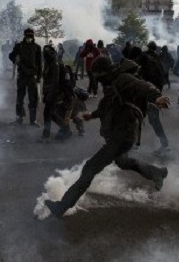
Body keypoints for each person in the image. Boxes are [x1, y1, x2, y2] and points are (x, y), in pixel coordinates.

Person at [44, 56, 170, 218]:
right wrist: (92, 115)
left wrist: (156, 97)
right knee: (123, 162)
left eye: (97, 75)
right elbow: (107, 106)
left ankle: (62, 206)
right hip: (121, 134)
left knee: (90, 168)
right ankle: (156, 173)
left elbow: (142, 86)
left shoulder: (123, 78)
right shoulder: (112, 83)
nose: (97, 79)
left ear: (104, 72)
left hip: (122, 134)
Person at [137, 41, 171, 155]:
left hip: (144, 91)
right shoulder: (157, 58)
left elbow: (135, 69)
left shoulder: (143, 56)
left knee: (136, 116)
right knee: (153, 119)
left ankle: (134, 144)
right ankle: (164, 144)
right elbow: (163, 75)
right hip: (155, 93)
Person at [9, 28, 42, 126]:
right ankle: (19, 118)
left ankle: (33, 120)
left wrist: (39, 77)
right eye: (27, 36)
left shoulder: (37, 47)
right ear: (24, 36)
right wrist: (16, 60)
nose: (29, 38)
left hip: (32, 77)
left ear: (33, 36)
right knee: (20, 98)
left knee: (33, 99)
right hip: (22, 76)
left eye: (30, 36)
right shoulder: (19, 46)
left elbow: (39, 63)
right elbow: (11, 55)